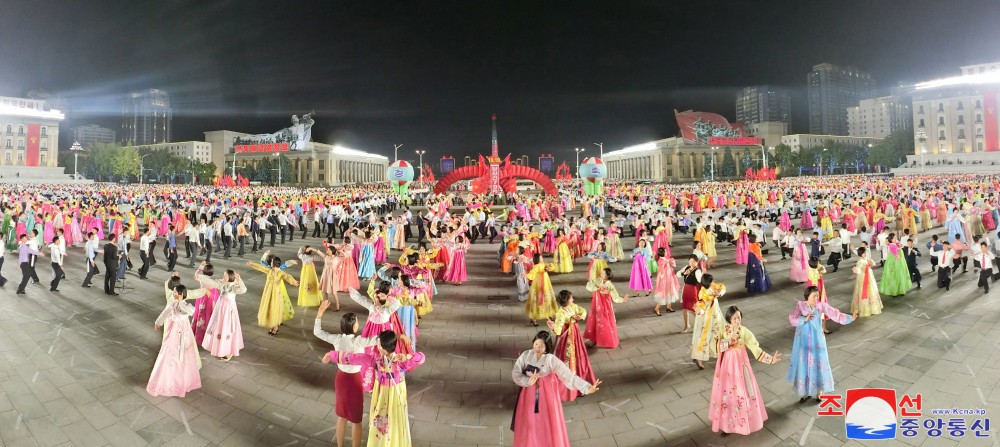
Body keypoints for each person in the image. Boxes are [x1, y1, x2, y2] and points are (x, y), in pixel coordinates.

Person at [322, 330, 424, 447]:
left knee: (394, 422)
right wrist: (332, 355)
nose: (378, 347)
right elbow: (354, 357)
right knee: (379, 424)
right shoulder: (377, 360)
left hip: (394, 397)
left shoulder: (401, 362)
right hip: (381, 396)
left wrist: (407, 356)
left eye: (379, 345)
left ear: (386, 346)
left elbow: (421, 358)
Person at [510, 331, 601, 447]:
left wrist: (587, 387)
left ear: (547, 347)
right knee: (529, 421)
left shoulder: (551, 359)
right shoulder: (526, 355)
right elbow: (516, 372)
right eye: (536, 344)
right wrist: (528, 381)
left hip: (546, 394)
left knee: (548, 422)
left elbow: (567, 375)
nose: (538, 348)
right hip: (529, 393)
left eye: (541, 346)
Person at [709, 306, 781, 437]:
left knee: (742, 393)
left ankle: (743, 423)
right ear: (729, 319)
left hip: (740, 367)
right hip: (727, 367)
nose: (737, 320)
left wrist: (770, 359)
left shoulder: (745, 332)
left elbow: (755, 349)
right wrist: (727, 343)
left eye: (739, 317)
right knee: (727, 393)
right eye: (735, 318)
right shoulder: (724, 330)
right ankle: (726, 425)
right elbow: (713, 345)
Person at [314, 301, 378, 447]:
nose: (358, 324)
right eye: (357, 322)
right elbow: (377, 339)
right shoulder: (359, 342)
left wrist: (320, 313)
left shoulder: (337, 339)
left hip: (341, 378)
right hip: (355, 380)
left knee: (341, 416)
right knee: (356, 420)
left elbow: (318, 332)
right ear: (353, 326)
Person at [787, 286, 857, 403]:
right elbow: (792, 319)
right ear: (807, 296)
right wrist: (804, 319)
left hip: (817, 341)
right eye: (814, 296)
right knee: (804, 365)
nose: (816, 298)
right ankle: (805, 392)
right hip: (803, 342)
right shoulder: (800, 306)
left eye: (817, 296)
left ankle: (819, 391)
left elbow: (834, 313)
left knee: (818, 364)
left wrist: (850, 318)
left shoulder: (821, 306)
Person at [147, 285, 202, 397]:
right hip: (173, 332)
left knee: (184, 354)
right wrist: (158, 322)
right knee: (169, 353)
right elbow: (165, 312)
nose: (173, 293)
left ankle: (183, 381)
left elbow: (191, 311)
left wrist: (181, 301)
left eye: (175, 292)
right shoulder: (173, 303)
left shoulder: (186, 305)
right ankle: (168, 380)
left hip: (183, 334)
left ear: (181, 294)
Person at [546, 290, 595, 402]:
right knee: (566, 362)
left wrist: (580, 317)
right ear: (566, 300)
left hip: (575, 335)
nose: (572, 299)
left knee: (579, 357)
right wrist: (553, 326)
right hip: (566, 339)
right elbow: (558, 330)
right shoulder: (560, 313)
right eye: (571, 298)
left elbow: (583, 311)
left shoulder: (573, 306)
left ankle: (580, 381)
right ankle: (568, 388)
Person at [199, 268, 247, 360]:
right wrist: (200, 277)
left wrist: (240, 280)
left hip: (228, 312)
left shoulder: (233, 287)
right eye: (224, 275)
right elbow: (212, 282)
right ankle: (220, 348)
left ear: (230, 277)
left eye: (225, 275)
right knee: (219, 328)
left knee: (227, 329)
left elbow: (243, 289)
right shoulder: (223, 285)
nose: (223, 277)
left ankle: (229, 351)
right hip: (220, 310)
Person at [246, 256, 299, 335]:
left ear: (274, 264)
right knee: (269, 308)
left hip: (276, 294)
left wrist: (294, 282)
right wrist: (251, 264)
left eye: (271, 262)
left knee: (275, 309)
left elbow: (287, 277)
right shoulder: (270, 271)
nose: (270, 263)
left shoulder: (280, 273)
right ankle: (272, 325)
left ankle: (276, 327)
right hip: (268, 293)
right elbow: (261, 267)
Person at [584, 268, 629, 348]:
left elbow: (615, 297)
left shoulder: (610, 285)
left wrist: (622, 300)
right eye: (601, 273)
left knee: (605, 322)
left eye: (604, 274)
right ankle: (593, 339)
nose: (601, 275)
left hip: (605, 307)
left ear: (608, 276)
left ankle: (608, 340)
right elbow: (588, 285)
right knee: (594, 320)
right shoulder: (597, 281)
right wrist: (597, 288)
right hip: (595, 304)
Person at [692, 274, 725, 370]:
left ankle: (716, 353)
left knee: (717, 334)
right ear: (707, 282)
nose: (713, 283)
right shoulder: (703, 292)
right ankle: (699, 358)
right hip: (706, 318)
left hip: (715, 315)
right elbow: (701, 304)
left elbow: (722, 287)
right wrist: (700, 311)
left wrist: (719, 293)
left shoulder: (712, 286)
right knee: (704, 336)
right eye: (711, 281)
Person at [851, 247, 883, 318]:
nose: (865, 254)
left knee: (871, 289)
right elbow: (859, 271)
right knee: (864, 290)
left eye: (865, 252)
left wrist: (870, 264)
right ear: (861, 254)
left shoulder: (866, 259)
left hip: (869, 276)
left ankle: (872, 307)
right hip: (863, 277)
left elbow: (873, 264)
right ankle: (865, 309)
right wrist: (856, 269)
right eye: (864, 253)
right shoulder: (860, 261)